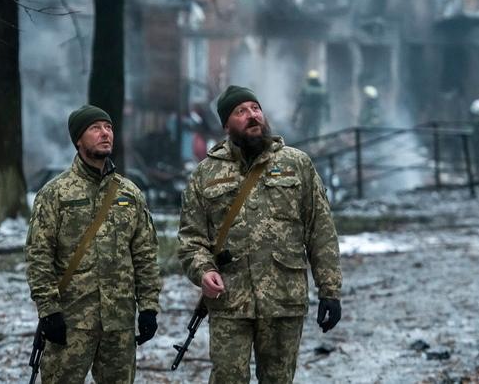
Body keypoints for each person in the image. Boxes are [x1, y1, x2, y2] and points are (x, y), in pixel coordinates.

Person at [178, 85, 342, 383]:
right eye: (241, 111)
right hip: (230, 301)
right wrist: (202, 272)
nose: (252, 116)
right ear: (227, 125)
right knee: (227, 377)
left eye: (255, 108)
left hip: (283, 299)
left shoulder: (296, 164)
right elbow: (191, 239)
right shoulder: (205, 174)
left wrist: (329, 291)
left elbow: (320, 230)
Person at [25, 104, 162, 384]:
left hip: (119, 323)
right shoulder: (55, 194)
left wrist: (148, 307)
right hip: (72, 321)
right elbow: (39, 255)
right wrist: (49, 310)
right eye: (95, 128)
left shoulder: (129, 193)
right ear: (78, 139)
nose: (105, 134)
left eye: (109, 127)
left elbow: (145, 254)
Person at [292, 69, 330, 139]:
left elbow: (300, 102)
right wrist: (328, 115)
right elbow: (327, 104)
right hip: (318, 112)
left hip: (307, 112)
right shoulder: (322, 89)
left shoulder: (306, 88)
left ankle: (305, 145)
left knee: (304, 130)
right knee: (316, 129)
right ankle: (315, 146)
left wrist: (295, 115)